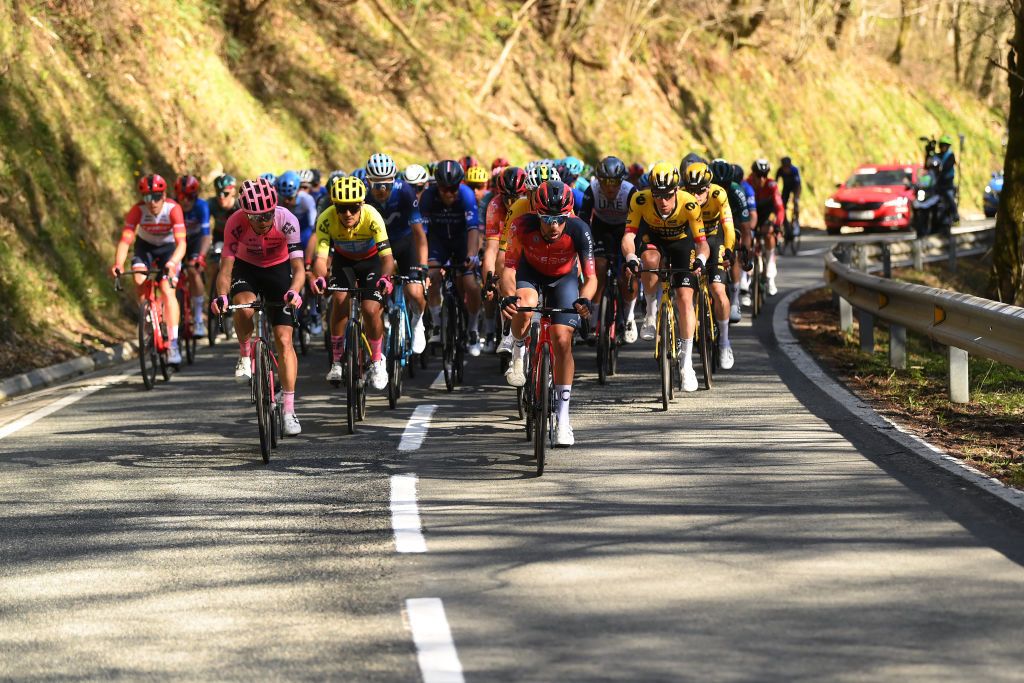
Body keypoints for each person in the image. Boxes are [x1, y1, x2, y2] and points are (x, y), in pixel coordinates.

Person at [501, 180, 596, 446]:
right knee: (525, 302)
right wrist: (508, 296)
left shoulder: (579, 230)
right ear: (537, 214)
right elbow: (508, 270)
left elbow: (591, 277)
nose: (553, 226)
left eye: (559, 219)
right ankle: (518, 348)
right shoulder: (522, 226)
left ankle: (563, 419)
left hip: (564, 279)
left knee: (562, 339)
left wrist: (585, 298)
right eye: (546, 219)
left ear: (568, 216)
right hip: (530, 274)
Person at [210, 178, 305, 435]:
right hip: (247, 269)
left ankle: (288, 410)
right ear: (246, 214)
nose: (264, 220)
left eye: (268, 214)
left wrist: (294, 292)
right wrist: (221, 296)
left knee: (284, 340)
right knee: (242, 306)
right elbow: (225, 270)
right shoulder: (235, 223)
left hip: (279, 269)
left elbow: (298, 269)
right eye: (257, 216)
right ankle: (244, 354)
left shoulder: (287, 220)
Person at [621, 161, 708, 392]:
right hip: (654, 240)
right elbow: (629, 235)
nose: (663, 201)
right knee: (648, 261)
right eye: (658, 195)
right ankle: (650, 312)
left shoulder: (689, 203)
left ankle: (687, 363)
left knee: (685, 299)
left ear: (677, 190)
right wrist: (630, 255)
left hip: (682, 244)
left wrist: (701, 260)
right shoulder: (640, 199)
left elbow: (702, 243)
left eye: (668, 195)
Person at [310, 175, 394, 391]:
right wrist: (320, 278)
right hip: (343, 261)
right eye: (341, 208)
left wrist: (385, 278)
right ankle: (337, 361)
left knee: (370, 308)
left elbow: (386, 258)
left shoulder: (373, 217)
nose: (347, 214)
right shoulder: (326, 219)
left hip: (371, 262)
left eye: (353, 208)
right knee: (339, 300)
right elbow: (320, 258)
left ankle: (377, 361)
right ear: (334, 206)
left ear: (362, 205)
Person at [110, 174, 187, 365]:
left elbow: (182, 244)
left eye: (157, 196)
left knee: (168, 291)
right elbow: (126, 240)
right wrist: (118, 264)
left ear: (164, 194)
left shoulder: (173, 209)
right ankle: (149, 316)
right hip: (145, 248)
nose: (152, 202)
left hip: (169, 249)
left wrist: (172, 263)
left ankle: (174, 343)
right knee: (138, 279)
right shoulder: (137, 210)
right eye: (147, 197)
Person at [365, 152, 429, 353]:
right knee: (376, 295)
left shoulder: (405, 192)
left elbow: (419, 234)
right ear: (368, 182)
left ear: (394, 181)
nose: (382, 190)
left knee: (414, 292)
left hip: (404, 243)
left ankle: (418, 322)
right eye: (377, 185)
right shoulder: (363, 195)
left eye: (387, 184)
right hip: (377, 247)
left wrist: (424, 267)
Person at [420, 160, 483, 357]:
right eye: (445, 189)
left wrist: (472, 255)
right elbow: (421, 233)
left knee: (471, 284)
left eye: (453, 188)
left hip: (462, 241)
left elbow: (473, 229)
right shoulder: (428, 196)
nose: (450, 193)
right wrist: (422, 262)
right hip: (438, 242)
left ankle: (472, 329)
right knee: (432, 277)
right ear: (437, 185)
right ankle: (438, 325)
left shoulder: (466, 195)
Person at [578, 155, 638, 342]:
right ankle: (594, 319)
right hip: (601, 229)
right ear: (599, 181)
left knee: (626, 274)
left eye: (615, 183)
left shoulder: (630, 192)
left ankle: (629, 318)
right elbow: (582, 223)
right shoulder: (592, 190)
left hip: (625, 229)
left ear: (622, 181)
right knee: (599, 267)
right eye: (605, 182)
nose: (610, 188)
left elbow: (639, 223)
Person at [682, 162, 735, 370]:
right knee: (685, 291)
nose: (696, 196)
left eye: (700, 190)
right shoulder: (682, 198)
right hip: (692, 241)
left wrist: (729, 250)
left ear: (708, 187)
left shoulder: (718, 195)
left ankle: (724, 341)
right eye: (691, 190)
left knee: (718, 290)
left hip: (715, 238)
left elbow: (728, 228)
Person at [276, 170, 322, 334]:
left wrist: (308, 258)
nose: (288, 201)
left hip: (305, 237)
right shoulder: (278, 200)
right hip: (285, 239)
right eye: (284, 198)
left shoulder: (307, 200)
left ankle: (314, 313)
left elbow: (313, 229)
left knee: (310, 271)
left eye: (291, 197)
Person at [710, 159, 751, 323]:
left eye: (725, 185)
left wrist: (745, 253)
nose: (722, 189)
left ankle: (734, 300)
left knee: (733, 249)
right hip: (711, 225)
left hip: (731, 222)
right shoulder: (705, 191)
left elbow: (746, 227)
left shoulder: (736, 191)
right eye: (717, 185)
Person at [174, 175, 211, 337]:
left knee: (193, 271)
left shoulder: (201, 206)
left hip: (196, 241)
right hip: (177, 241)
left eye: (190, 197)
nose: (186, 201)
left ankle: (197, 318)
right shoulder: (173, 206)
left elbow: (206, 235)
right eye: (182, 197)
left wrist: (200, 256)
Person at [747, 159, 784, 296]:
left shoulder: (771, 185)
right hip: (751, 215)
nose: (761, 179)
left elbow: (780, 209)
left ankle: (770, 270)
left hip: (766, 215)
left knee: (769, 233)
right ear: (753, 174)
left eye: (764, 175)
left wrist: (776, 225)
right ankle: (748, 275)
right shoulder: (747, 183)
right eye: (758, 175)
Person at [935, 134, 959, 223]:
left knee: (949, 196)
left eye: (945, 145)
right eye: (942, 145)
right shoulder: (937, 155)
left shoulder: (950, 155)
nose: (943, 147)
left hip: (947, 182)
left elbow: (948, 166)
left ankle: (955, 214)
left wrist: (941, 170)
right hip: (937, 182)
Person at [775, 156, 802, 225]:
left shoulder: (794, 170)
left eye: (787, 167)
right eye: (784, 167)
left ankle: (796, 219)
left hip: (795, 187)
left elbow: (798, 185)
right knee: (783, 203)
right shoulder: (780, 170)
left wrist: (796, 198)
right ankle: (784, 220)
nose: (786, 169)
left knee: (795, 201)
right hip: (786, 187)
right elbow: (775, 183)